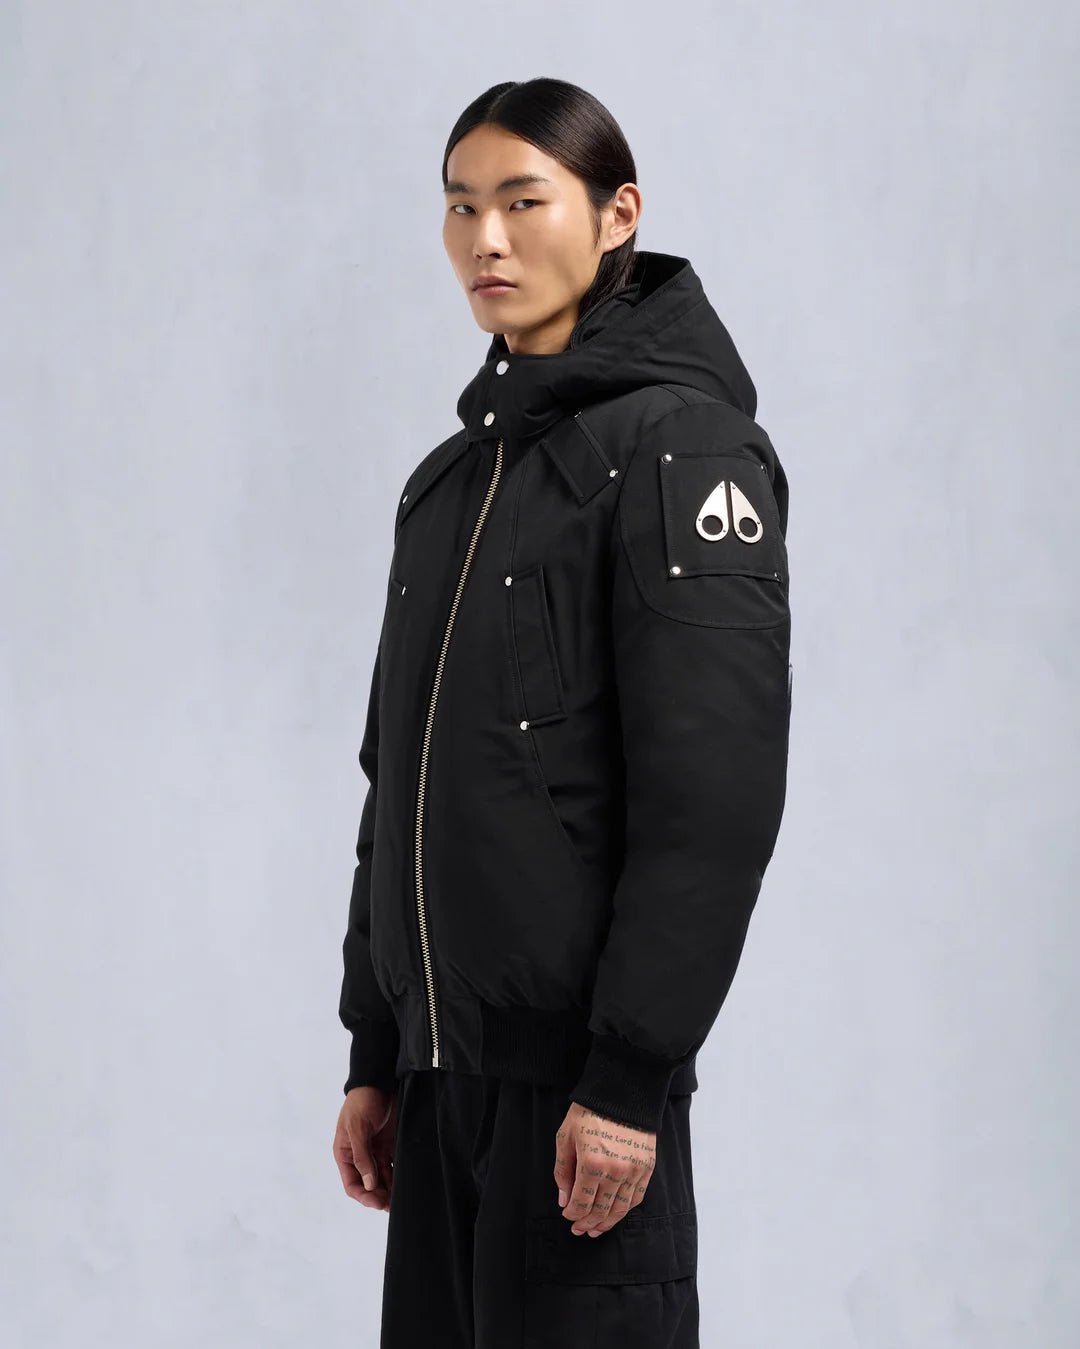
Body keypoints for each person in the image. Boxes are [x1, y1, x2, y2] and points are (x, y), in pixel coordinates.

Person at [331, 77, 793, 1349]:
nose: (486, 238)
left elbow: (713, 802)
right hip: (438, 1087)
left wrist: (630, 1077)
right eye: (460, 206)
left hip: (581, 1097)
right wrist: (378, 1045)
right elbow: (397, 784)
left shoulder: (683, 452)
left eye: (524, 201)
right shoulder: (448, 485)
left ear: (616, 214)